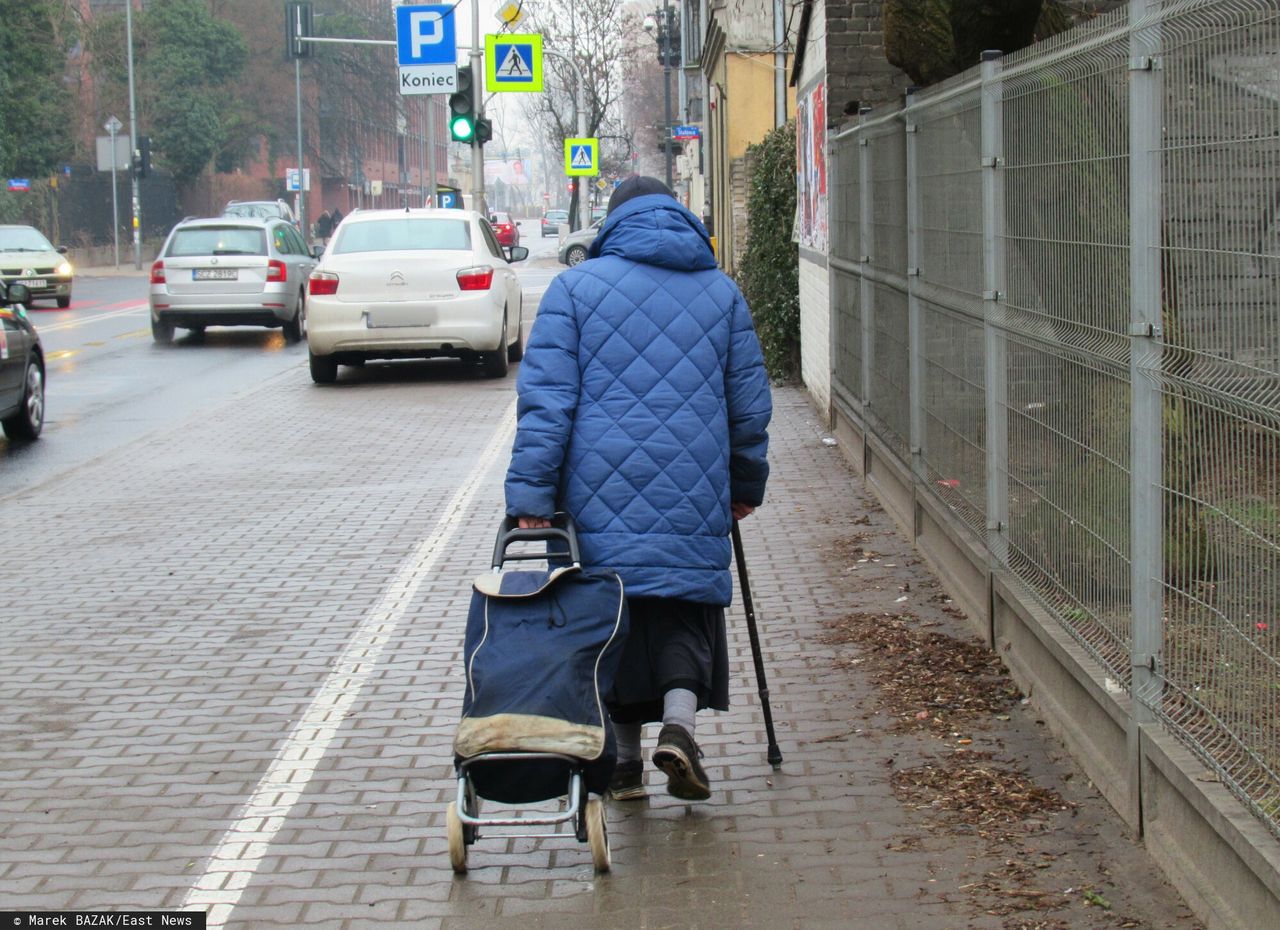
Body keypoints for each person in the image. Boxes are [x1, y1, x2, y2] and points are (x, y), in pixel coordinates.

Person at [504, 176, 772, 802]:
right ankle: (678, 729)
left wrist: (531, 501)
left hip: (598, 485)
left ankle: (623, 763)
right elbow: (748, 408)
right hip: (694, 479)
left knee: (610, 610)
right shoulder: (721, 293)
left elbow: (545, 405)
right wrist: (744, 483)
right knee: (681, 606)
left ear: (612, 226)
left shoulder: (573, 290)